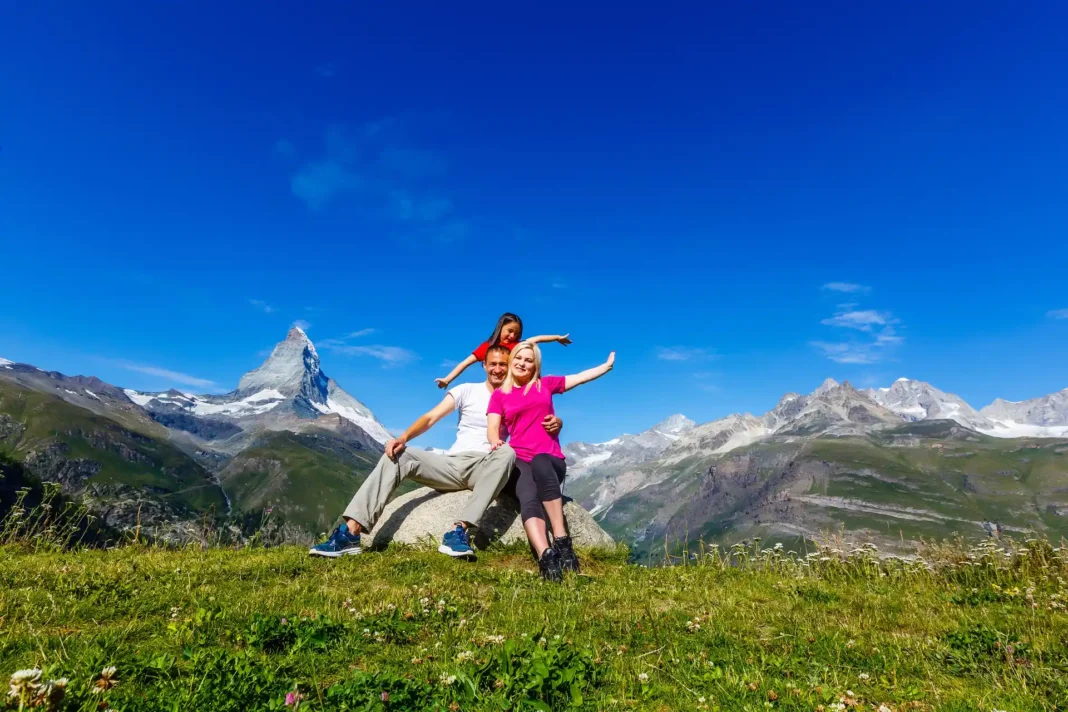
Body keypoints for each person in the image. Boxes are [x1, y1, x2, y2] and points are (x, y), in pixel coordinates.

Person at [309, 344, 564, 559]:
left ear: (511, 366)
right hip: (452, 464)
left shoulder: (519, 395)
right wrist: (404, 437)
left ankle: (460, 531)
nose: (498, 369)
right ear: (484, 365)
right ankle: (350, 534)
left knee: (507, 452)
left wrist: (557, 423)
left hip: (489, 465)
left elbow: (538, 423)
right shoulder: (466, 390)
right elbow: (431, 418)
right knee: (400, 455)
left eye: (503, 364)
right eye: (493, 363)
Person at [486, 341, 615, 581]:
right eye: (519, 358)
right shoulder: (499, 396)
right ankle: (546, 555)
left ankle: (562, 539)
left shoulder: (545, 384)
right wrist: (495, 442)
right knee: (528, 495)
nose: (523, 363)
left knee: (540, 463)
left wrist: (605, 367)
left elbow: (578, 378)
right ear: (512, 360)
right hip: (519, 458)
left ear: (535, 365)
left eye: (529, 360)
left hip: (550, 460)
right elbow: (493, 428)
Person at [434, 312, 572, 389]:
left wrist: (557, 338)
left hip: (518, 387)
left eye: (516, 334)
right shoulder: (487, 347)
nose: (512, 336)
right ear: (501, 327)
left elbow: (538, 338)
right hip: (500, 389)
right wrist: (447, 379)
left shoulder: (517, 346)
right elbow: (465, 363)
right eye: (510, 331)